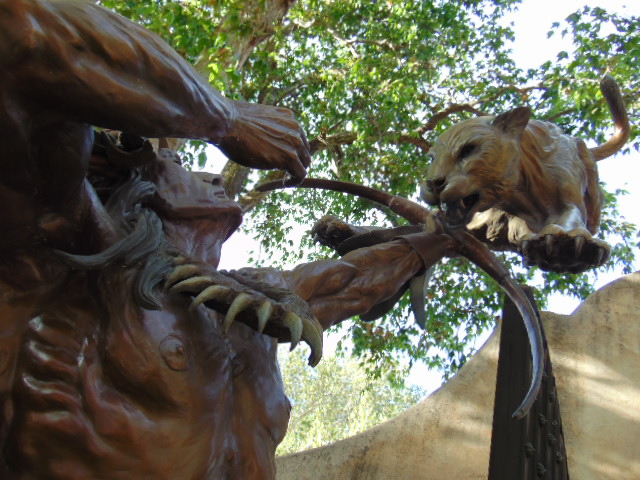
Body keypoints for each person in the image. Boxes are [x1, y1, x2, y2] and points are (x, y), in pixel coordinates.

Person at [0, 1, 450, 478]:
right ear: (142, 185)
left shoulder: (250, 306)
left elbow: (351, 281)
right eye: (181, 165)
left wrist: (444, 239)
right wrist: (224, 119)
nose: (214, 179)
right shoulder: (68, 248)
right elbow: (20, 29)